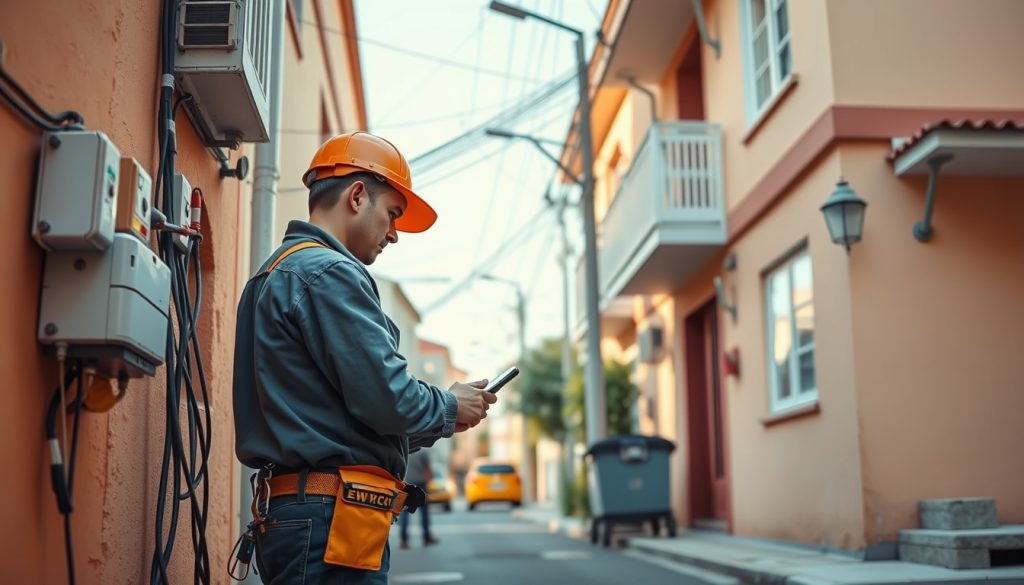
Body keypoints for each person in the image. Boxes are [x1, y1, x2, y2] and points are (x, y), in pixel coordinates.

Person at [232, 131, 498, 585]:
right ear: (358, 196)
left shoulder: (273, 274)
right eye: (392, 214)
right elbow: (388, 399)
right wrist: (449, 405)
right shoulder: (329, 273)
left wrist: (442, 418)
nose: (394, 234)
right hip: (328, 520)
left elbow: (346, 419)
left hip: (301, 514)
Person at [398, 448, 438, 549]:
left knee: (404, 513)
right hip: (421, 484)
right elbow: (428, 470)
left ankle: (404, 540)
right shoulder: (423, 451)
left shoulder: (404, 450)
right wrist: (429, 484)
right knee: (424, 513)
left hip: (405, 485)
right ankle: (426, 538)